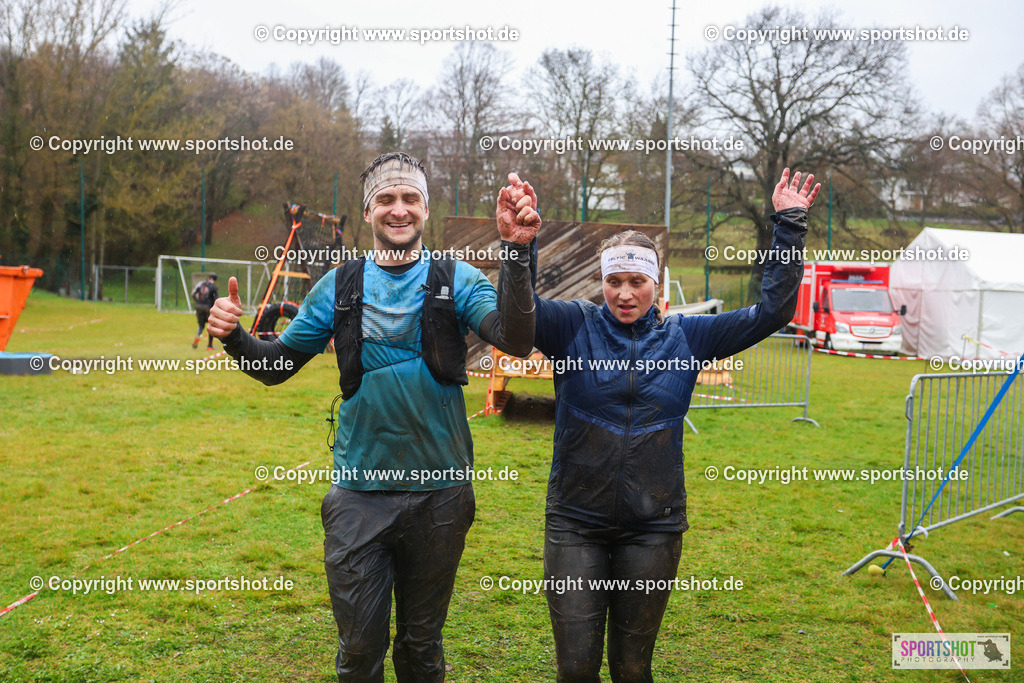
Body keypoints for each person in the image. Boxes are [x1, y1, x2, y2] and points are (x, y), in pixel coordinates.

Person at [205, 152, 541, 682]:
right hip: (359, 495)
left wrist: (518, 254)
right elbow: (275, 367)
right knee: (360, 650)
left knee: (421, 647)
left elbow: (518, 338)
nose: (398, 209)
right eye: (386, 199)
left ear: (426, 209)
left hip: (441, 495)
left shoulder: (459, 278)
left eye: (410, 198)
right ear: (368, 212)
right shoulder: (339, 286)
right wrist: (234, 336)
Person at [532, 168, 820, 682]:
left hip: (653, 527)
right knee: (575, 671)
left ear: (656, 285)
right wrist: (519, 246)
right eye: (614, 281)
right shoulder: (572, 325)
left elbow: (772, 312)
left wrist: (789, 226)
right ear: (602, 284)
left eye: (636, 281)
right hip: (576, 523)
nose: (624, 293)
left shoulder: (689, 337)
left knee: (632, 669)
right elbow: (519, 311)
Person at [191, 273, 219, 349]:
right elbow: (215, 300)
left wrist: (197, 302)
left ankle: (197, 337)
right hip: (208, 308)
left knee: (201, 326)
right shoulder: (214, 288)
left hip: (199, 307)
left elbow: (193, 294)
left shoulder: (201, 284)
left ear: (208, 278)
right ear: (215, 280)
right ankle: (210, 345)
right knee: (211, 326)